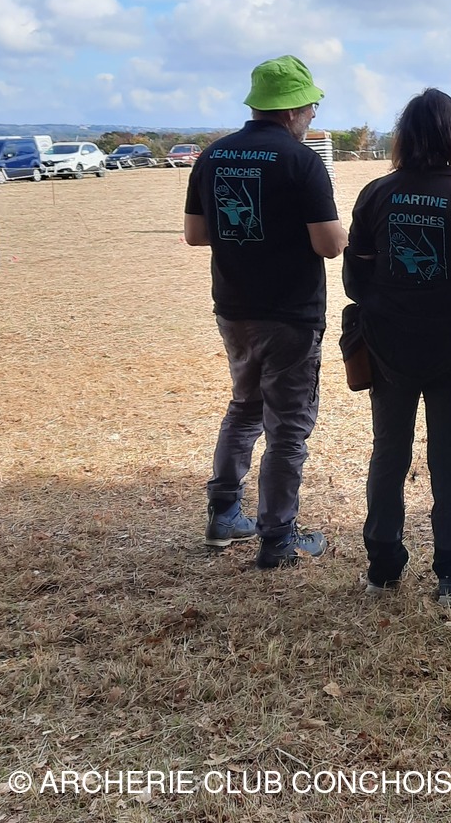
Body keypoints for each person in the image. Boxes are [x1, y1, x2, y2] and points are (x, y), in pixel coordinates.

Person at [345, 88, 451, 606]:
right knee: (450, 461)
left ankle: (382, 567)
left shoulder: (375, 194)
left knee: (389, 453)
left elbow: (355, 281)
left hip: (387, 348)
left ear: (405, 138)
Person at [185, 55, 348, 568]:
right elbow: (328, 245)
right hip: (291, 315)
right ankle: (278, 538)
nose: (313, 115)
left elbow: (195, 234)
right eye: (312, 107)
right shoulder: (302, 161)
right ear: (293, 109)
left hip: (234, 308)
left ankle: (224, 514)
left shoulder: (213, 156)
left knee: (245, 406)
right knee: (288, 428)